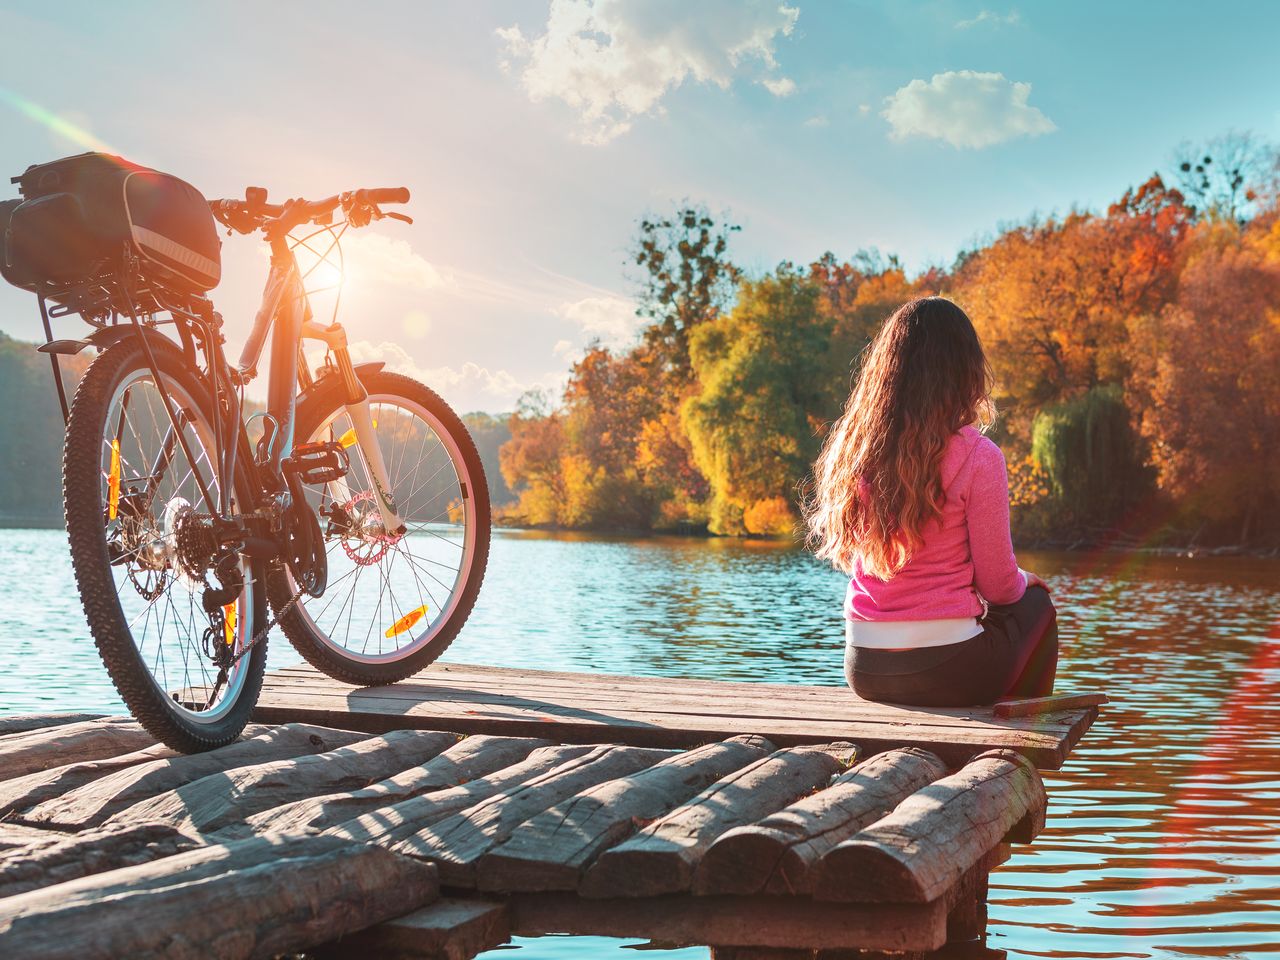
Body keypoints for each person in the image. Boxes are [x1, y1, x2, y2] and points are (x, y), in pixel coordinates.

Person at [803, 296, 1057, 707]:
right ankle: (1018, 739)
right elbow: (999, 587)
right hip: (947, 668)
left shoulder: (858, 451)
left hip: (865, 668)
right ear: (966, 371)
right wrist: (1025, 580)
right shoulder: (979, 455)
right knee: (1036, 607)